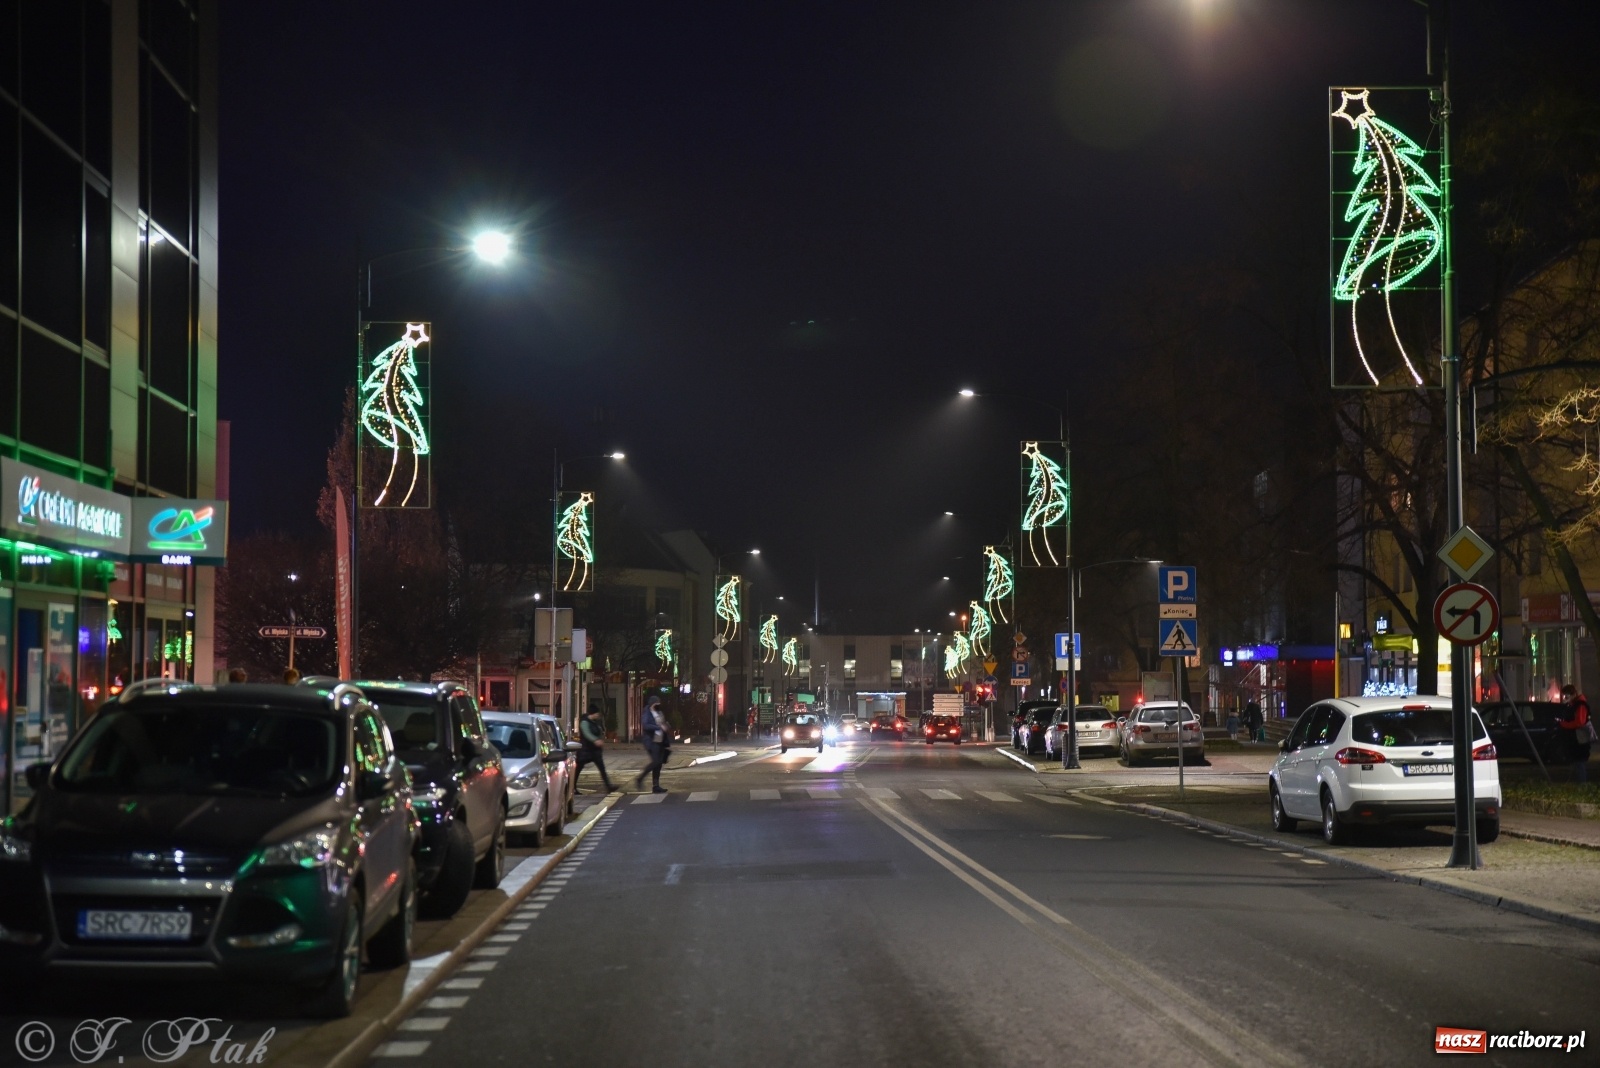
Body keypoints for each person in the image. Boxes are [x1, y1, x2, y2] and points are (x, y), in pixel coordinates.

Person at [1557, 684, 1593, 783]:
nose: (1565, 698)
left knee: (1579, 762)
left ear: (1573, 694)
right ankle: (1579, 784)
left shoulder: (1580, 705)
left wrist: (1565, 724)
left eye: (1566, 696)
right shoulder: (1575, 704)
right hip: (1576, 738)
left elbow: (1579, 722)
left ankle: (1582, 785)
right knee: (1577, 762)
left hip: (1579, 739)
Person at [576, 707, 615, 793]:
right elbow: (587, 733)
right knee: (578, 768)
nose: (598, 715)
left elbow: (599, 731)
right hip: (585, 750)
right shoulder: (584, 722)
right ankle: (572, 787)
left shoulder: (595, 722)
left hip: (595, 751)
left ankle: (609, 786)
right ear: (592, 714)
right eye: (596, 713)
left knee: (602, 768)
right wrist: (595, 740)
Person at [635, 695, 669, 794]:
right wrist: (658, 727)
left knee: (658, 764)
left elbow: (662, 723)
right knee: (656, 761)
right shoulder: (647, 713)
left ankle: (656, 786)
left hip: (660, 741)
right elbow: (645, 725)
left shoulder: (659, 712)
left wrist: (665, 725)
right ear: (652, 704)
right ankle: (640, 778)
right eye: (656, 703)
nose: (658, 705)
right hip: (651, 741)